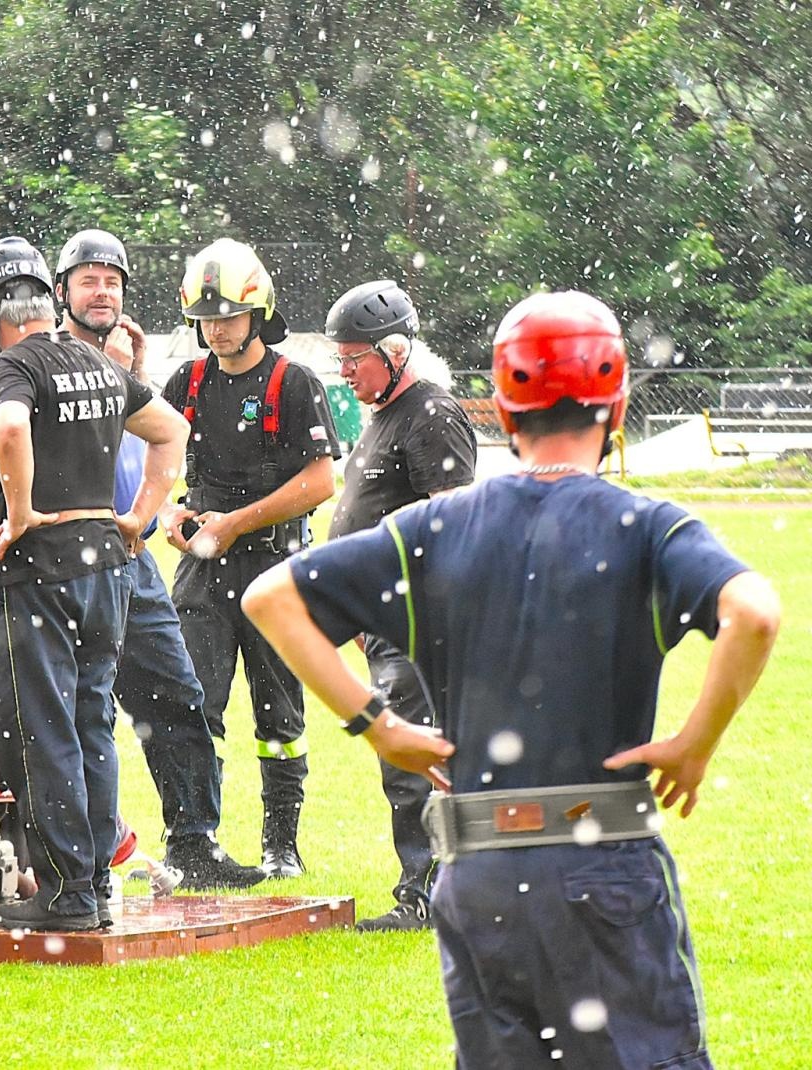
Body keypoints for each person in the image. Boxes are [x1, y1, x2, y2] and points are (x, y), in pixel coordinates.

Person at [242, 290, 780, 1068]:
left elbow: (271, 597)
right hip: (607, 864)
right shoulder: (647, 528)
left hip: (482, 872)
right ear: (618, 403)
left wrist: (377, 727)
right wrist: (696, 743)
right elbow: (755, 614)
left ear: (498, 408)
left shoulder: (434, 528)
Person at [0, 237, 190, 932]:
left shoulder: (13, 367)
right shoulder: (95, 364)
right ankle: (92, 881)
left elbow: (8, 428)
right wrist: (138, 518)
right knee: (93, 724)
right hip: (109, 570)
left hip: (41, 572)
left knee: (42, 731)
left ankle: (64, 895)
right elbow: (172, 430)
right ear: (48, 296)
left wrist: (22, 509)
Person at [53, 228, 263, 889]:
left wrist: (146, 515)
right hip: (67, 560)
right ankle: (75, 860)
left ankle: (195, 845)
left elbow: (158, 439)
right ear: (61, 292)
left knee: (177, 695)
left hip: (132, 556)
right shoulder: (43, 363)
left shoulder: (120, 371)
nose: (102, 290)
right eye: (88, 280)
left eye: (112, 280)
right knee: (74, 710)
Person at [162, 238, 340, 878]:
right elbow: (163, 468)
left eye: (229, 316)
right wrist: (171, 519)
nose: (216, 329)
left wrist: (236, 523)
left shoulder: (295, 385)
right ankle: (190, 844)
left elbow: (320, 483)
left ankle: (280, 845)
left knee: (279, 715)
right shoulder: (184, 382)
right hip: (202, 570)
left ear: (258, 311)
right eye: (205, 319)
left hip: (276, 569)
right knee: (191, 707)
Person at [322, 280, 477, 932]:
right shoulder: (387, 412)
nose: (344, 370)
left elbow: (453, 528)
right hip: (386, 622)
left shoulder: (431, 414)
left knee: (416, 758)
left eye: (354, 358)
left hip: (420, 624)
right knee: (403, 757)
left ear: (393, 350)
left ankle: (429, 893)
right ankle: (429, 886)